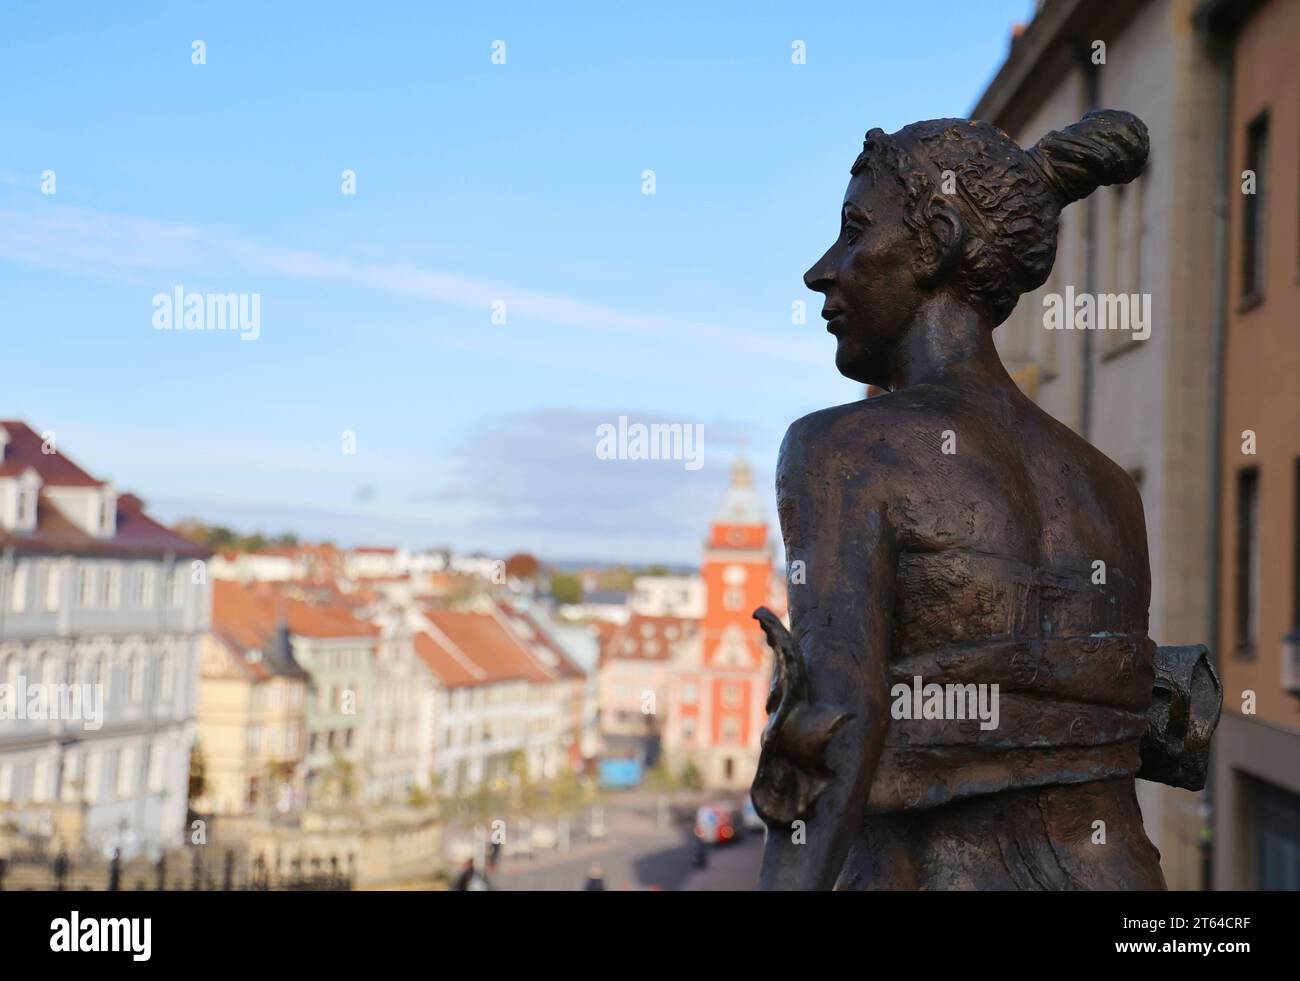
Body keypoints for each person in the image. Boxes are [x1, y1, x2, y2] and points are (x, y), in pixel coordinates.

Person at [751, 111, 1167, 890]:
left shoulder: (843, 451)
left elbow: (833, 726)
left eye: (852, 232)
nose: (822, 271)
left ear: (936, 241)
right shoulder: (1113, 487)